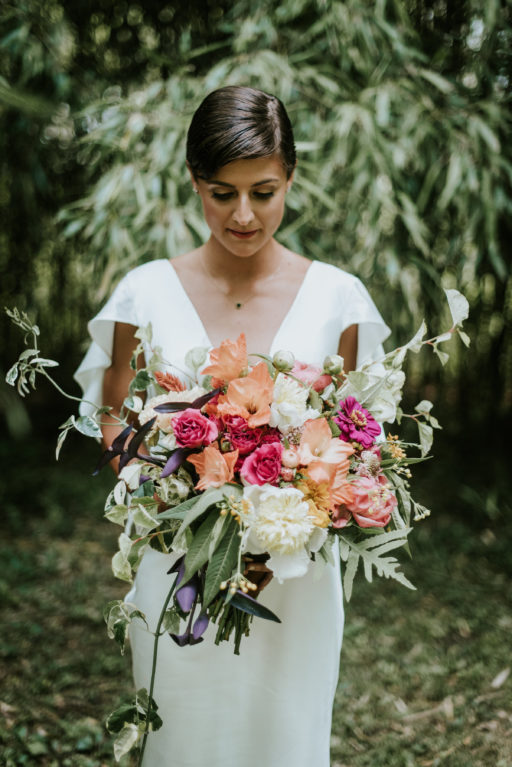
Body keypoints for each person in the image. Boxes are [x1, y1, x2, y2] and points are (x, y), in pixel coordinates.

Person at [75, 85, 390, 767]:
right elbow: (112, 422)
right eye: (222, 192)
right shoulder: (144, 292)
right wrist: (182, 500)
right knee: (185, 735)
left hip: (297, 580)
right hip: (181, 570)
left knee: (288, 734)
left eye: (264, 190)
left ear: (291, 179)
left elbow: (362, 443)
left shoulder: (339, 297)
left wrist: (297, 510)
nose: (243, 214)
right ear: (194, 182)